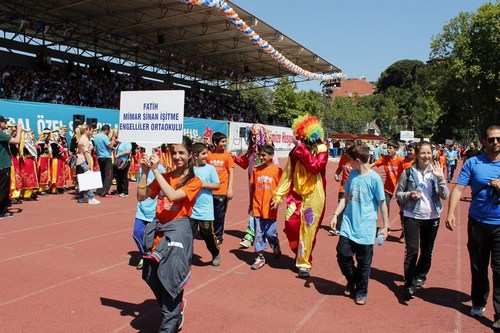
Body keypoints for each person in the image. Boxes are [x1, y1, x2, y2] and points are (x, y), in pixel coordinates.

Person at [137, 135, 202, 333]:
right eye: (174, 153)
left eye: (181, 153)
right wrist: (146, 172)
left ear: (190, 155)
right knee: (149, 276)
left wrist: (156, 170)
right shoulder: (164, 177)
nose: (176, 156)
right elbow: (141, 196)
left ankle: (170, 320)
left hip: (177, 237)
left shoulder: (194, 181)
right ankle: (174, 308)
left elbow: (173, 196)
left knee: (172, 283)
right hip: (158, 234)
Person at [445, 125, 500, 328]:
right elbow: (459, 188)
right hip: (477, 222)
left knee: (499, 269)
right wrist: (450, 212)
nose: (495, 142)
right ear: (484, 141)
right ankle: (478, 301)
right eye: (491, 139)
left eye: (499, 139)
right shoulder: (473, 163)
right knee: (478, 266)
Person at [330, 144, 389, 305]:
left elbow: (382, 203)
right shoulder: (353, 175)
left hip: (366, 228)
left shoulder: (374, 178)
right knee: (342, 255)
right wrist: (335, 214)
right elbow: (345, 196)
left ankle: (361, 291)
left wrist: (385, 225)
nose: (348, 163)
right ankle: (353, 280)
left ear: (357, 160)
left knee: (364, 263)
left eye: (350, 160)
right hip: (349, 225)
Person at [272, 115, 328, 278]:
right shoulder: (296, 151)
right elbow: (288, 173)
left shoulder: (322, 149)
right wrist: (278, 195)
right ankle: (299, 252)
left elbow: (315, 167)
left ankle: (304, 262)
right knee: (291, 225)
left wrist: (302, 150)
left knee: (308, 229)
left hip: (314, 195)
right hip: (296, 195)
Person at [395, 141, 449, 299]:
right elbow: (398, 194)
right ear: (416, 155)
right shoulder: (408, 172)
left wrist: (440, 179)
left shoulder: (437, 171)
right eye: (423, 153)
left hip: (432, 217)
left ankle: (420, 275)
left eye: (429, 153)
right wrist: (409, 195)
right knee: (412, 250)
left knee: (427, 251)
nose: (426, 156)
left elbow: (444, 195)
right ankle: (409, 284)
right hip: (412, 215)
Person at [232, 124, 276, 248]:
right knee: (253, 209)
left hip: (266, 188)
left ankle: (258, 234)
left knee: (264, 213)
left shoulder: (268, 153)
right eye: (250, 135)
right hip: (253, 186)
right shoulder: (251, 152)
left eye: (254, 135)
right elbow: (244, 163)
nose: (251, 137)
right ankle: (252, 233)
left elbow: (275, 172)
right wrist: (233, 157)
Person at [250, 145, 283, 270]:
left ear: (271, 156)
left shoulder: (278, 171)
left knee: (270, 233)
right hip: (257, 206)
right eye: (260, 155)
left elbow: (282, 188)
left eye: (264, 155)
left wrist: (278, 200)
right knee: (258, 233)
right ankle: (260, 257)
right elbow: (252, 189)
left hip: (270, 208)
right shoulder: (256, 170)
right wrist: (250, 204)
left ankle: (275, 244)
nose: (261, 157)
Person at [132, 147, 166, 270]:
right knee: (137, 232)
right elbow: (140, 187)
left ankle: (156, 257)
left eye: (153, 152)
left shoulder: (160, 169)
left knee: (155, 236)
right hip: (142, 208)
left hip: (155, 209)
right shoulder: (142, 168)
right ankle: (145, 255)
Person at [190, 142, 221, 266]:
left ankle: (215, 252)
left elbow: (217, 185)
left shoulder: (210, 169)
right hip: (190, 209)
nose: (206, 156)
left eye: (206, 153)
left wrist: (202, 184)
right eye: (203, 154)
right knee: (187, 235)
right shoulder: (189, 168)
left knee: (207, 234)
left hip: (205, 210)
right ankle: (187, 256)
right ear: (195, 155)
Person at [371, 140, 405, 238]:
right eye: (387, 148)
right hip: (387, 188)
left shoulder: (401, 161)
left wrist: (397, 190)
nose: (388, 150)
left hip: (400, 189)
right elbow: (373, 164)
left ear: (396, 150)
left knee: (403, 211)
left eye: (390, 148)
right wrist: (363, 168)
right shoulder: (384, 159)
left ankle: (404, 231)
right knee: (385, 207)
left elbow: (404, 176)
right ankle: (386, 226)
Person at [206, 132, 234, 245]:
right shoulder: (208, 155)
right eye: (222, 142)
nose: (224, 144)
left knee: (219, 215)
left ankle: (218, 236)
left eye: (225, 141)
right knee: (208, 214)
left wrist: (230, 189)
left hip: (222, 191)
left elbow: (231, 173)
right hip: (209, 190)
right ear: (215, 143)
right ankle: (209, 233)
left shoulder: (228, 156)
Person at [330, 140, 355, 235]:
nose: (346, 150)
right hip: (343, 188)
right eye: (345, 148)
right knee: (340, 207)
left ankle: (351, 227)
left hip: (354, 190)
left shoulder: (355, 160)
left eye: (348, 149)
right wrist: (336, 174)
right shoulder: (343, 158)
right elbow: (340, 168)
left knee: (351, 209)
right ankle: (338, 228)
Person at [0, 116, 21, 218]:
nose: (6, 124)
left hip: (2, 165)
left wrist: (12, 133)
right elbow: (16, 141)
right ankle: (2, 211)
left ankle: (3, 209)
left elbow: (7, 139)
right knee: (3, 189)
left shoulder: (2, 134)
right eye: (4, 122)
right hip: (3, 165)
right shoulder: (0, 134)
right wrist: (19, 130)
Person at [75, 125, 100, 205]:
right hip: (84, 160)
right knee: (89, 179)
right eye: (91, 130)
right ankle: (90, 197)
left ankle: (81, 197)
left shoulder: (84, 139)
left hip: (81, 160)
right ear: (86, 130)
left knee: (83, 180)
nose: (92, 132)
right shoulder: (84, 139)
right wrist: (89, 163)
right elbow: (86, 152)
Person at [93, 124, 117, 197]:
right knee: (108, 175)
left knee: (102, 174)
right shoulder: (104, 137)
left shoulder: (96, 136)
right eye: (109, 131)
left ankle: (100, 190)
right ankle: (105, 190)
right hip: (106, 157)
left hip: (100, 157)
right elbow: (110, 146)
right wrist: (113, 139)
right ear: (106, 130)